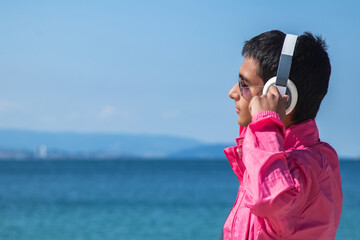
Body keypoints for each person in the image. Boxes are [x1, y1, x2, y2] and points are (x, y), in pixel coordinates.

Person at [220, 30, 343, 240]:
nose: (232, 93)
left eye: (244, 85)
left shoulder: (306, 167)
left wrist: (265, 122)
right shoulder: (281, 158)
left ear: (282, 93)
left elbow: (268, 200)